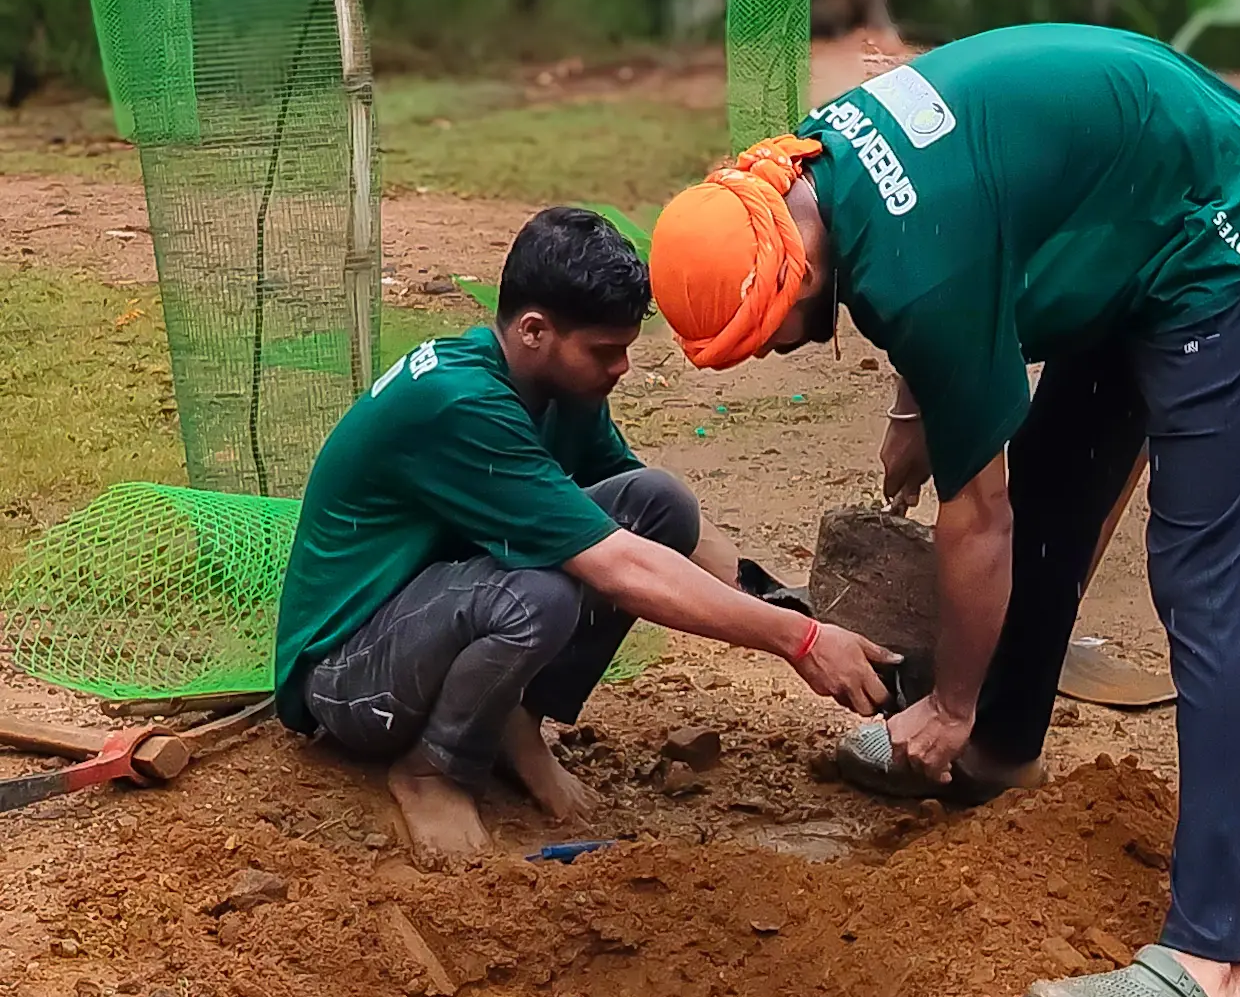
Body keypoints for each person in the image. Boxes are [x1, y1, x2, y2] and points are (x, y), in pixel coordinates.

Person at [648, 25, 1240, 997]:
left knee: (1201, 581)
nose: (776, 352)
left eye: (764, 337)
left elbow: (976, 518)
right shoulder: (814, 162)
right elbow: (954, 228)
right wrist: (917, 412)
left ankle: (1205, 964)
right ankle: (999, 749)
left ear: (790, 276)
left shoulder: (914, 272)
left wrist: (944, 700)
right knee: (1051, 477)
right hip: (1129, 209)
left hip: (1217, 223)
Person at [274, 206, 893, 866]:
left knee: (659, 503)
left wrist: (777, 602)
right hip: (347, 681)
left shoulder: (552, 385)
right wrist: (796, 643)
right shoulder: (460, 403)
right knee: (538, 596)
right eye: (605, 350)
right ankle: (434, 770)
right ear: (534, 329)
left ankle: (514, 721)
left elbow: (646, 522)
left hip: (430, 619)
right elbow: (620, 566)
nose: (622, 367)